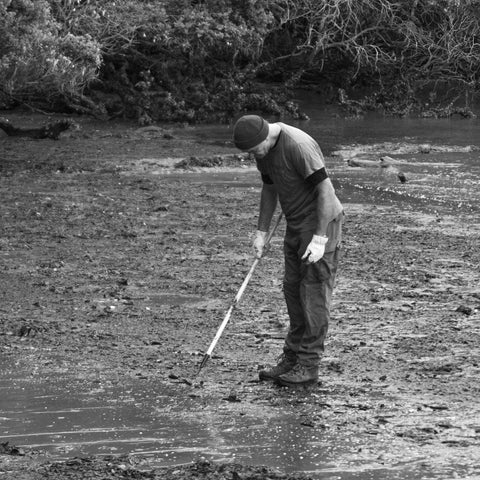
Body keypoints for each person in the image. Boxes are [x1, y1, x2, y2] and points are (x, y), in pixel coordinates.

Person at [233, 114, 344, 388]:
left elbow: (327, 194)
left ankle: (308, 365)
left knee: (313, 293)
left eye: (253, 151)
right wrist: (261, 232)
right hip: (295, 223)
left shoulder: (297, 145)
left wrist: (319, 239)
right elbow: (270, 189)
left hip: (320, 222)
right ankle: (292, 357)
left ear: (264, 137)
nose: (253, 156)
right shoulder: (263, 151)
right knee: (292, 289)